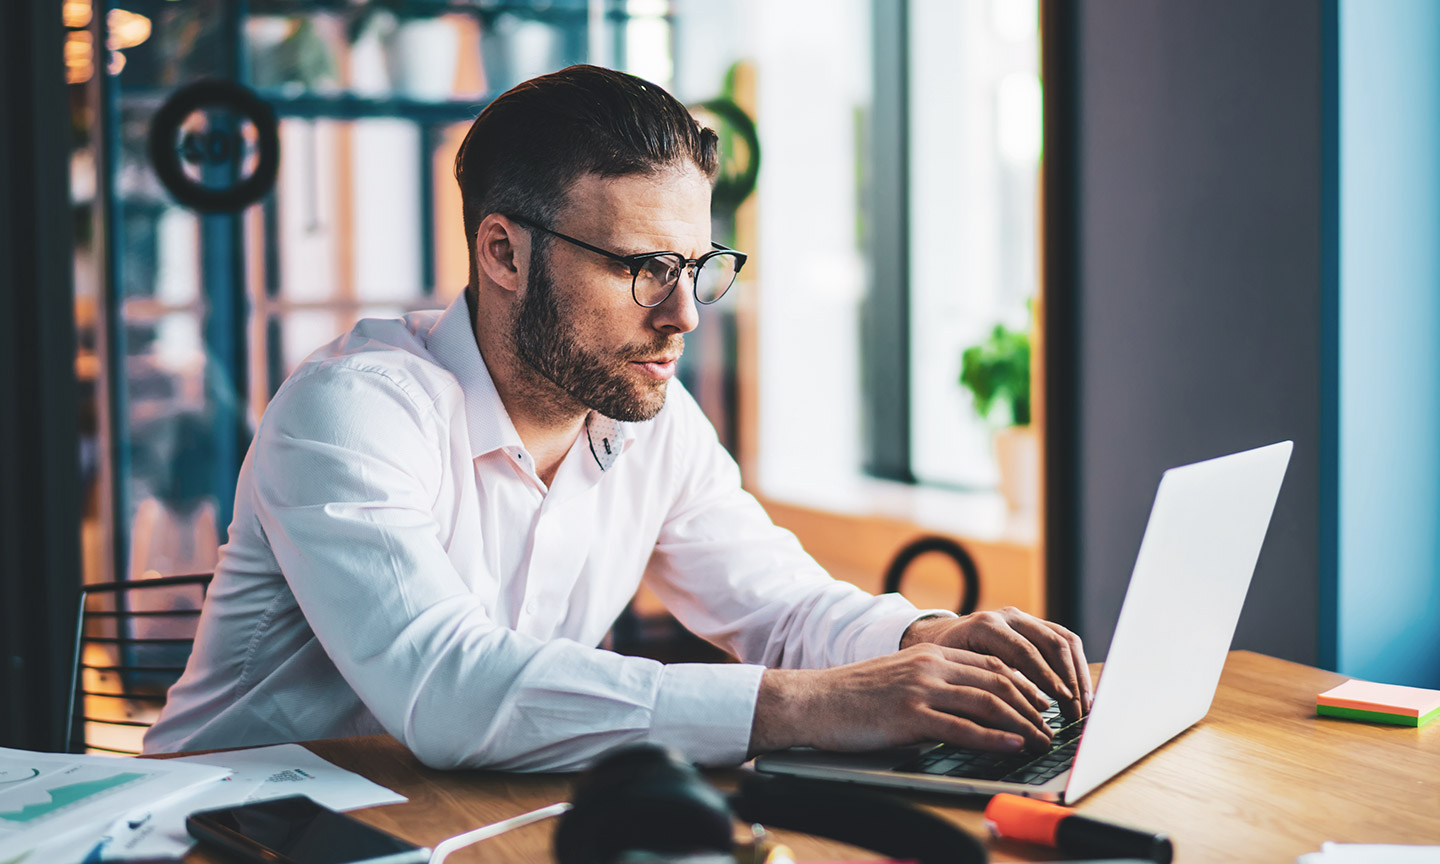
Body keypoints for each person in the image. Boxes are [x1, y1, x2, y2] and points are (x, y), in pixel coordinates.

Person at [144, 65, 1091, 770]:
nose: (682, 315)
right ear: (504, 253)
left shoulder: (646, 417)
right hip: (224, 833)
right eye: (643, 268)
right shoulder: (352, 412)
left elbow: (781, 605)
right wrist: (821, 706)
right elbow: (449, 694)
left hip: (460, 830)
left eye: (695, 267)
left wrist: (921, 640)